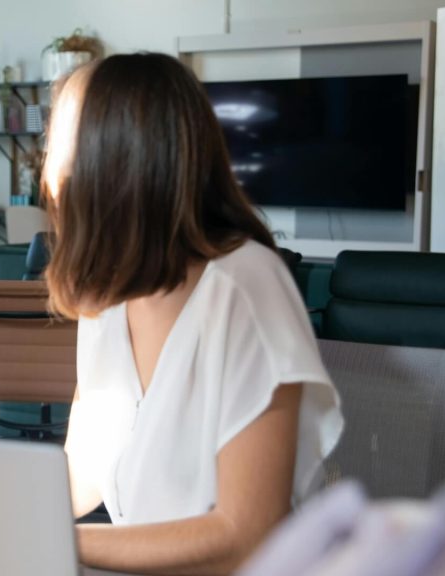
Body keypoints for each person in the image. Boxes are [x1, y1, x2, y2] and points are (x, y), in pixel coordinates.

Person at [41, 53, 344, 574]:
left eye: (56, 141)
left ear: (112, 158)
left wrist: (49, 542)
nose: (47, 167)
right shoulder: (107, 294)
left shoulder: (246, 287)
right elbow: (82, 474)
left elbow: (245, 534)